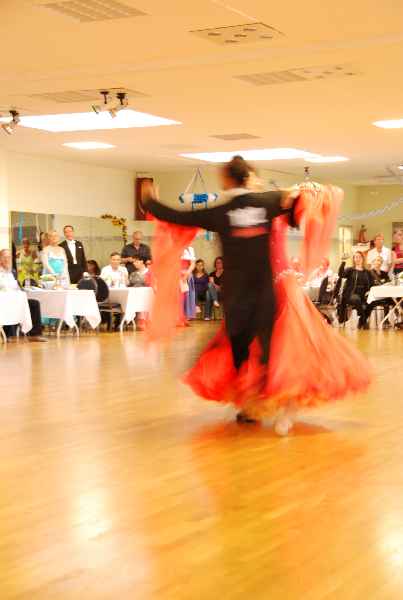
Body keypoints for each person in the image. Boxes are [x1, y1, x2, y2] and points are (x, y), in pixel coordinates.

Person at [145, 157, 371, 434]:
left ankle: (264, 403)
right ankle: (255, 403)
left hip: (251, 292)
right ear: (248, 178)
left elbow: (180, 217)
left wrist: (150, 201)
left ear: (228, 179)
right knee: (264, 352)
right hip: (265, 290)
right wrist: (307, 193)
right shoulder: (269, 202)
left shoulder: (227, 210)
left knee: (257, 351)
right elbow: (304, 204)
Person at [0, 249, 47, 342]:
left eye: (9, 257)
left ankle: (35, 334)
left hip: (16, 300)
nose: (7, 260)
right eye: (4, 257)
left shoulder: (12, 272)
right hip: (3, 302)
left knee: (34, 303)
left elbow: (18, 287)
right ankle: (8, 334)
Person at [337, 251, 373, 329]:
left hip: (364, 294)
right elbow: (340, 274)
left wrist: (369, 291)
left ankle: (361, 320)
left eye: (359, 257)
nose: (357, 259)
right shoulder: (350, 270)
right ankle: (363, 320)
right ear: (353, 259)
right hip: (350, 294)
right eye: (356, 257)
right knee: (356, 299)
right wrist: (343, 261)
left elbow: (372, 284)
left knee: (372, 302)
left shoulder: (367, 272)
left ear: (363, 259)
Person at [365, 255, 392, 324]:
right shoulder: (369, 273)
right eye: (377, 260)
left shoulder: (384, 273)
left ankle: (386, 320)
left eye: (380, 261)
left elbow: (389, 283)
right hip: (373, 296)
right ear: (373, 262)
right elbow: (368, 285)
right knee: (371, 302)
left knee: (395, 300)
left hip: (384, 295)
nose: (378, 262)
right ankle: (365, 319)